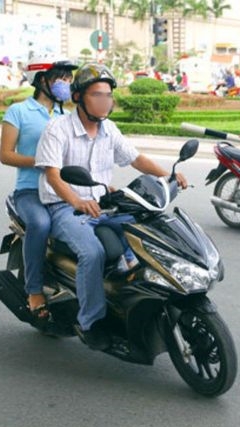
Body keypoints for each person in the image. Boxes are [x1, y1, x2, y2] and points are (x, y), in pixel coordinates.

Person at [35, 63, 187, 351]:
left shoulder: (109, 129)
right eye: (97, 95)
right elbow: (53, 175)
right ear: (78, 97)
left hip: (104, 204)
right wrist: (77, 200)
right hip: (65, 208)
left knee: (146, 231)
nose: (105, 101)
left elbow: (135, 158)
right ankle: (90, 322)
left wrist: (166, 174)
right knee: (92, 252)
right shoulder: (58, 129)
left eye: (108, 95)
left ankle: (130, 297)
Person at [0, 56, 78, 321]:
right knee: (41, 224)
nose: (66, 83)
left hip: (61, 190)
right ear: (41, 80)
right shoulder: (19, 112)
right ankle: (34, 290)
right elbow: (6, 155)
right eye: (61, 78)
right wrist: (42, 162)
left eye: (69, 79)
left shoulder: (67, 116)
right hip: (29, 191)